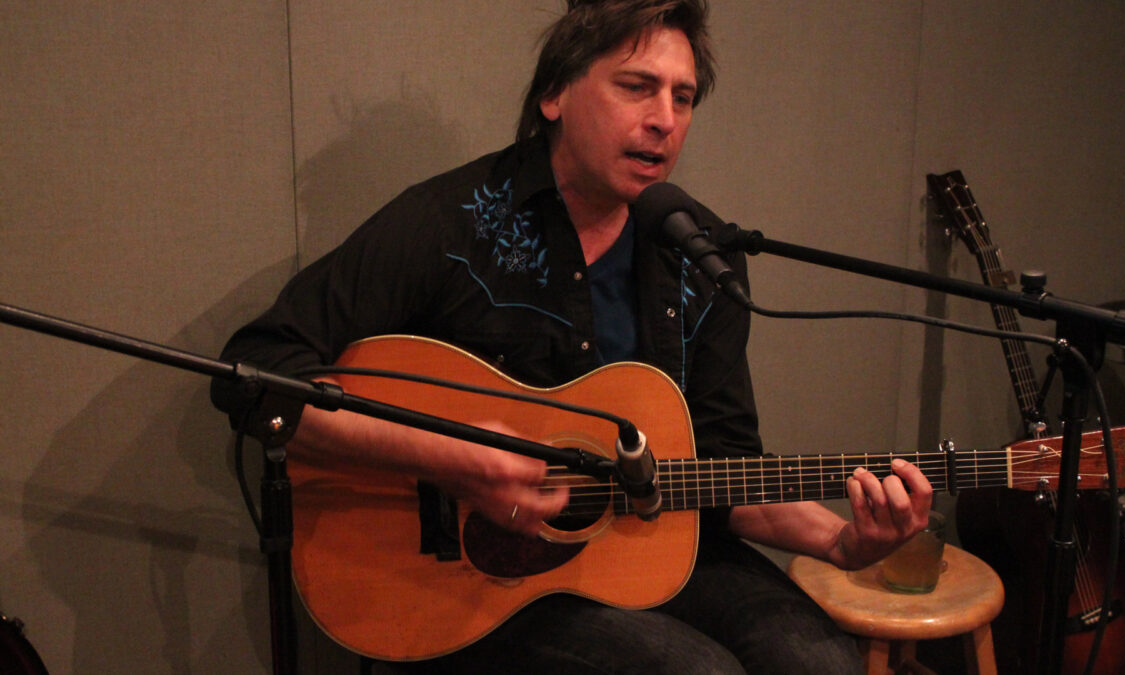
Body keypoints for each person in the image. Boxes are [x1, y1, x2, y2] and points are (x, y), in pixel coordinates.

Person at [212, 1, 932, 672]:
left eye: (683, 98)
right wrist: (456, 460)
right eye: (637, 87)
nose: (664, 120)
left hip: (652, 552)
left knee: (819, 660)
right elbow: (255, 369)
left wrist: (843, 541)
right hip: (472, 581)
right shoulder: (452, 224)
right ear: (554, 94)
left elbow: (723, 468)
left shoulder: (701, 252)